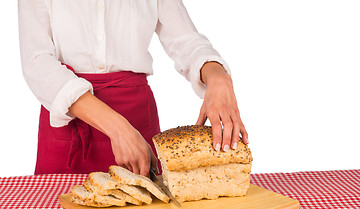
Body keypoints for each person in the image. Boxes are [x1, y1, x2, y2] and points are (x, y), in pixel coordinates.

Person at [18, 0, 249, 177]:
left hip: (137, 119)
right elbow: (37, 62)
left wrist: (218, 77)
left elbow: (186, 41)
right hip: (70, 122)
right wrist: (118, 128)